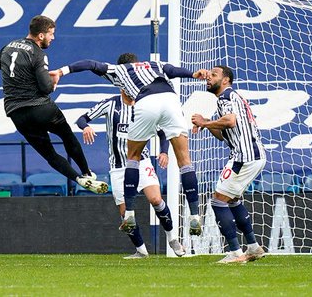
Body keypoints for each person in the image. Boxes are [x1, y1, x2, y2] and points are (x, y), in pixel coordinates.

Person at [50, 53, 208, 235]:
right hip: (171, 101)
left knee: (133, 157)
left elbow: (91, 63)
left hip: (146, 102)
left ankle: (130, 213)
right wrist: (193, 74)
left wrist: (62, 71)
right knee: (185, 161)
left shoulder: (120, 70)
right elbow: (173, 70)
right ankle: (195, 215)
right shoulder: (155, 64)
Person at [0, 15, 105, 194]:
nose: (53, 38)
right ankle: (86, 172)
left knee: (49, 154)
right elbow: (45, 88)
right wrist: (54, 82)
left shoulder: (7, 47)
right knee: (67, 136)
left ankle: (78, 179)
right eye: (51, 34)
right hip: (41, 108)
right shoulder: (37, 54)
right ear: (40, 36)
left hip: (17, 114)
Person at [77, 88, 186, 258]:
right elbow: (81, 119)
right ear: (122, 86)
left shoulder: (145, 107)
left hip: (142, 163)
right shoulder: (111, 104)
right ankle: (141, 250)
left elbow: (162, 133)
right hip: (119, 168)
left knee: (156, 199)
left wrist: (164, 152)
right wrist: (86, 127)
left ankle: (172, 238)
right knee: (125, 214)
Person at [191, 65, 266, 264]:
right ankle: (253, 247)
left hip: (243, 156)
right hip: (253, 155)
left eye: (214, 75)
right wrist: (207, 123)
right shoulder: (233, 98)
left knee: (218, 201)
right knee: (232, 200)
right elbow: (224, 135)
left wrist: (205, 122)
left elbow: (230, 121)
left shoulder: (226, 97)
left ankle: (235, 252)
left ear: (226, 80)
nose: (208, 78)